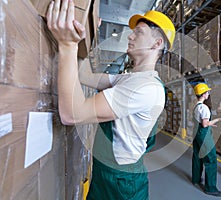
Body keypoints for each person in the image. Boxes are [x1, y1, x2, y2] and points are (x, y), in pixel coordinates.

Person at [46, 0, 175, 199]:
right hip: (106, 170)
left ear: (157, 43)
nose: (130, 36)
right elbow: (86, 76)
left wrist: (66, 45)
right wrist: (85, 37)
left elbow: (72, 114)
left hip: (121, 180)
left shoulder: (145, 87)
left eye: (139, 32)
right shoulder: (129, 78)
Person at [192, 83, 221, 197]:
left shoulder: (195, 106)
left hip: (196, 134)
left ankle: (196, 179)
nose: (208, 94)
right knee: (211, 159)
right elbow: (205, 124)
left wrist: (210, 124)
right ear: (203, 94)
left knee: (197, 156)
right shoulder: (204, 107)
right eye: (207, 92)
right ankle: (210, 188)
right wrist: (218, 120)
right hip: (203, 135)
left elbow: (200, 121)